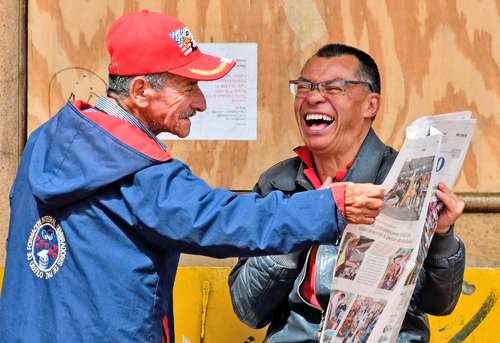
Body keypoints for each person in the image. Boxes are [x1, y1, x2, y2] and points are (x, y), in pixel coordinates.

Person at [0, 14, 386, 343]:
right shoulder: (140, 174)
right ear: (140, 90)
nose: (201, 102)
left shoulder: (47, 141)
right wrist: (333, 204)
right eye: (189, 87)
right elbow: (226, 220)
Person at [229, 43, 466, 343]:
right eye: (305, 86)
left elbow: (439, 304)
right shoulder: (278, 183)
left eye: (333, 88)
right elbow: (248, 309)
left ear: (371, 105)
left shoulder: (404, 178)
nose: (313, 97)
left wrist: (442, 236)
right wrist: (300, 221)